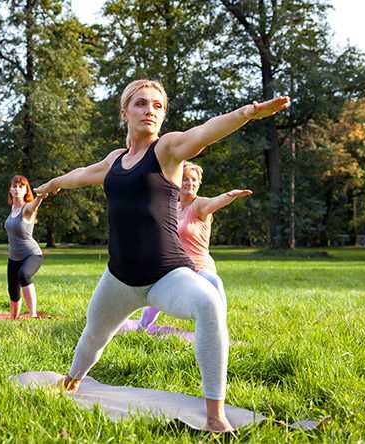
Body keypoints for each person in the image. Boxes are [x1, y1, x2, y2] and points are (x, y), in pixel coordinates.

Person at [36, 79, 288, 432]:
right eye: (140, 103)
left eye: (157, 105)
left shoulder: (167, 150)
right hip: (119, 278)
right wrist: (53, 185)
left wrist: (247, 113)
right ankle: (72, 381)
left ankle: (215, 416)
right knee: (94, 335)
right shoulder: (115, 161)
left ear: (164, 114)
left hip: (167, 273)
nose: (149, 110)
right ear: (125, 112)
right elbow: (80, 174)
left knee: (209, 303)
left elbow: (204, 133)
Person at [137, 162, 252, 330]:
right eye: (184, 179)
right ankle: (142, 326)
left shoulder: (200, 206)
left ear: (198, 184)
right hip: (176, 265)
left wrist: (230, 195)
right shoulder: (172, 207)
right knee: (156, 290)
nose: (189, 183)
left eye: (193, 180)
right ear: (177, 182)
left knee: (213, 281)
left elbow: (215, 202)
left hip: (198, 266)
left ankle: (219, 328)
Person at [4, 175, 46, 319]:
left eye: (21, 186)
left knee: (24, 275)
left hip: (32, 255)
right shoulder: (12, 209)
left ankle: (33, 315)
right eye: (14, 186)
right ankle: (13, 318)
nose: (17, 189)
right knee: (13, 290)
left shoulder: (27, 209)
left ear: (26, 190)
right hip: (14, 257)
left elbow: (34, 205)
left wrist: (40, 197)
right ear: (10, 189)